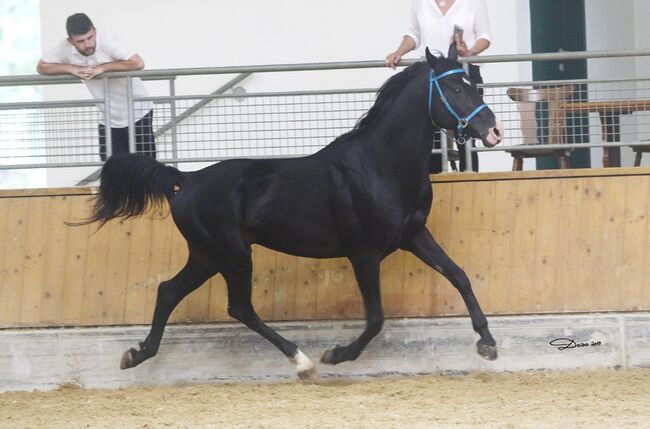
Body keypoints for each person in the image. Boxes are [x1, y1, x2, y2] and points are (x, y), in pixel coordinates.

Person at [385, 0, 491, 173]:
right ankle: (432, 181)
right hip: (432, 76)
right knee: (430, 134)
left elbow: (485, 36)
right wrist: (398, 52)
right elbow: (414, 33)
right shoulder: (420, 2)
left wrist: (469, 52)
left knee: (466, 132)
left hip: (463, 73)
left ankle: (469, 179)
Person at [37, 13, 156, 160]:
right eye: (80, 41)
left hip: (138, 113)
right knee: (112, 170)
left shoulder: (107, 42)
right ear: (71, 41)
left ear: (95, 31)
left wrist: (103, 68)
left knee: (146, 168)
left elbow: (138, 63)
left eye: (90, 37)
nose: (88, 45)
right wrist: (71, 69)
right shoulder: (65, 48)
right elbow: (42, 66)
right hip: (108, 118)